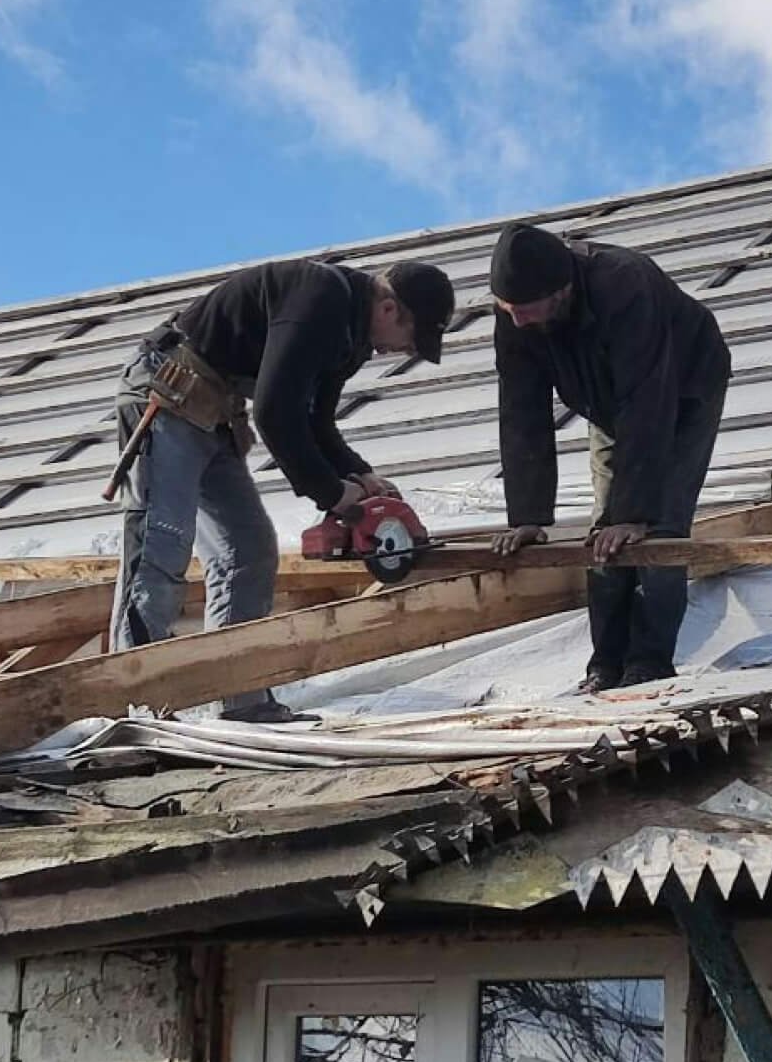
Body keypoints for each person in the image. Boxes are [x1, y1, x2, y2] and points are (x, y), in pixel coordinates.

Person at [110, 254, 455, 720]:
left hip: (214, 410)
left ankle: (243, 699)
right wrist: (331, 495)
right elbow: (275, 412)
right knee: (162, 542)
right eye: (412, 338)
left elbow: (315, 419)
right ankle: (125, 707)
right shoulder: (324, 298)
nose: (406, 350)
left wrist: (358, 474)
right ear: (391, 310)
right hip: (169, 391)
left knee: (248, 550)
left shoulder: (351, 335)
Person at [489, 220, 731, 693]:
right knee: (603, 533)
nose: (516, 322)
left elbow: (648, 399)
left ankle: (650, 661)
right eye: (508, 310)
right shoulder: (514, 308)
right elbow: (521, 408)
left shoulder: (624, 282)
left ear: (561, 291)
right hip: (606, 405)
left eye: (524, 311)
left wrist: (636, 512)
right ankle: (605, 662)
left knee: (657, 532)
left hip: (681, 395)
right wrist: (529, 515)